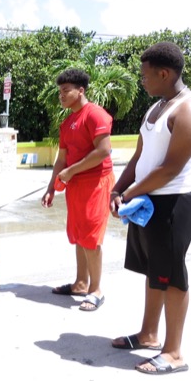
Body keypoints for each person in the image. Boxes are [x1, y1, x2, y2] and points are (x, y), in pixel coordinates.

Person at [109, 42, 191, 374]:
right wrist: (118, 188)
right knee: (154, 270)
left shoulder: (190, 109)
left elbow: (170, 168)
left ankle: (174, 352)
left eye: (145, 74)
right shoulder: (157, 107)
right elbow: (139, 157)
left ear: (164, 73)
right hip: (147, 200)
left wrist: (130, 194)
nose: (141, 80)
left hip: (174, 203)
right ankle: (149, 334)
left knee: (173, 274)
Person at [41, 68, 114, 312]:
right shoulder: (68, 122)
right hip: (75, 185)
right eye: (60, 91)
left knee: (91, 238)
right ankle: (81, 283)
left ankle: (96, 290)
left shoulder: (95, 115)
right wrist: (51, 188)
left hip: (96, 183)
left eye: (65, 91)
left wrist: (72, 171)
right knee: (79, 235)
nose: (61, 95)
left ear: (80, 90)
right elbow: (62, 159)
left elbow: (104, 150)